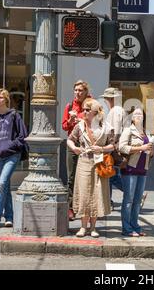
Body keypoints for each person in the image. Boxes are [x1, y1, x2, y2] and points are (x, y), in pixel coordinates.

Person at [67, 98, 114, 238]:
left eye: (88, 110)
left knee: (96, 195)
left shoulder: (106, 127)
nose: (84, 112)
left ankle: (93, 227)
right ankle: (82, 227)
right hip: (84, 162)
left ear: (96, 112)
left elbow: (113, 146)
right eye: (84, 109)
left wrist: (101, 148)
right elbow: (70, 139)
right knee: (84, 195)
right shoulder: (80, 126)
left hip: (99, 164)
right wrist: (74, 148)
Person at [0, 89, 28, 229]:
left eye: (1, 97)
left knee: (1, 183)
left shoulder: (14, 115)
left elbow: (22, 136)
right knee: (4, 186)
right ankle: (10, 217)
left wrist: (10, 146)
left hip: (12, 155)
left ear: (6, 99)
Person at [119, 108, 153, 237]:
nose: (138, 116)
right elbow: (121, 147)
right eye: (136, 114)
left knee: (137, 200)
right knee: (128, 200)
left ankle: (135, 226)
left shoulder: (146, 132)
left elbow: (148, 149)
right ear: (132, 118)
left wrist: (150, 151)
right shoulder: (128, 130)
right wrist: (141, 148)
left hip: (142, 169)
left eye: (140, 114)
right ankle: (127, 228)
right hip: (130, 169)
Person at [62, 80, 91, 221]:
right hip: (73, 145)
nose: (78, 93)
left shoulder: (90, 105)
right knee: (71, 177)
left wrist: (79, 118)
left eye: (80, 90)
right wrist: (70, 121)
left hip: (88, 145)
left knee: (87, 178)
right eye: (76, 90)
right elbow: (64, 127)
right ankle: (71, 208)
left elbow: (95, 121)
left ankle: (85, 208)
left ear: (86, 92)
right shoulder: (69, 106)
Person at [102, 87, 127, 211]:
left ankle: (128, 193)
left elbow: (115, 130)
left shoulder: (115, 111)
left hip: (114, 147)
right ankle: (108, 201)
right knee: (111, 174)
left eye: (106, 98)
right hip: (116, 146)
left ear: (111, 99)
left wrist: (112, 145)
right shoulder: (118, 110)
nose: (105, 100)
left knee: (111, 175)